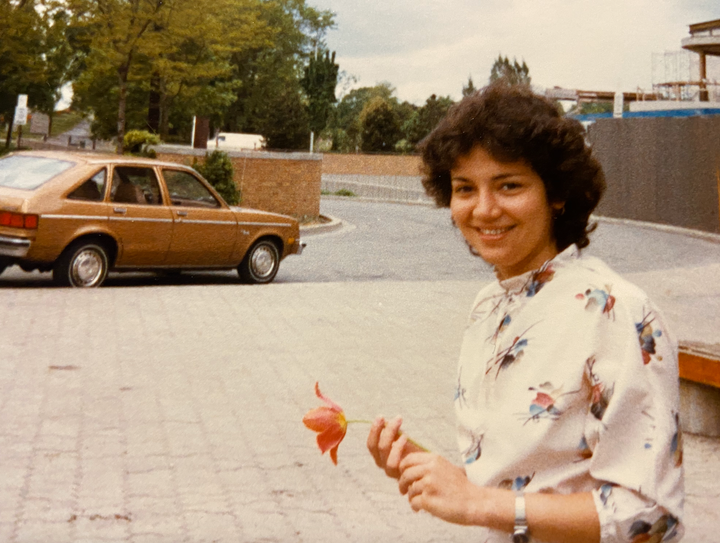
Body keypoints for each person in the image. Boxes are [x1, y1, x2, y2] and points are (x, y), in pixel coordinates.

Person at [367, 84, 684, 543]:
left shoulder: (617, 312)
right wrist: (430, 473)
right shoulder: (489, 305)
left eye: (508, 185)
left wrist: (479, 503)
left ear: (556, 193)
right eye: (464, 189)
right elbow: (522, 479)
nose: (484, 209)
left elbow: (651, 515)